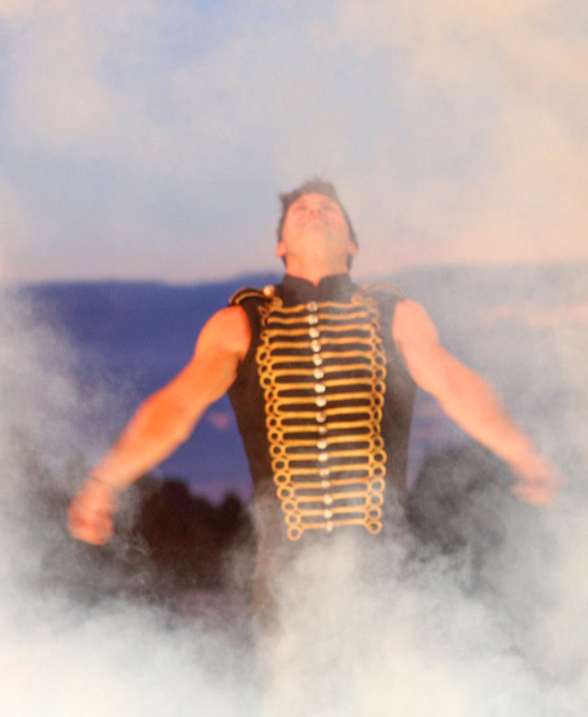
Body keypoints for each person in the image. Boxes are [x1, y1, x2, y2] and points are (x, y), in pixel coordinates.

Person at [67, 179, 556, 608]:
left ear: (353, 243)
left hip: (385, 571)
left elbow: (456, 386)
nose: (314, 211)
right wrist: (105, 482)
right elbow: (176, 407)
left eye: (328, 209)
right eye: (300, 209)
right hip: (285, 579)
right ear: (281, 245)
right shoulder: (238, 324)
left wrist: (523, 453)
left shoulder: (399, 317)